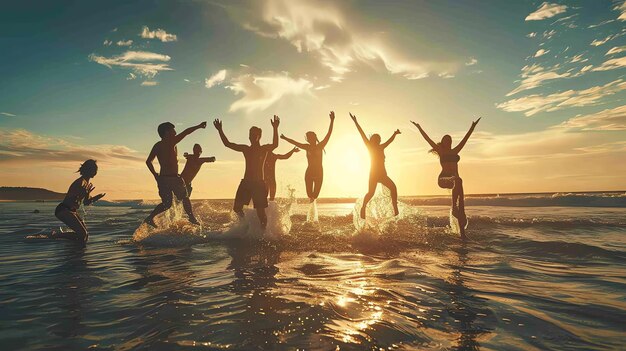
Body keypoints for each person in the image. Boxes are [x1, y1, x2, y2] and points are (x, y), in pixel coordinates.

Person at [411, 117, 481, 239]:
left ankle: (462, 233)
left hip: (455, 181)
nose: (448, 141)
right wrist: (419, 127)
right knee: (458, 181)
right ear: (443, 142)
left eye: (449, 140)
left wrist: (472, 127)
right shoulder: (441, 151)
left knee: (459, 185)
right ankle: (454, 207)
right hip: (443, 179)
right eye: (446, 140)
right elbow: (427, 139)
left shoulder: (455, 151)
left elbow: (465, 139)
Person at [213, 115, 280, 229]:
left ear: (259, 136)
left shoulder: (263, 149)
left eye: (254, 135)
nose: (251, 137)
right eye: (250, 135)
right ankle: (245, 225)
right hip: (246, 183)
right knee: (237, 208)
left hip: (259, 184)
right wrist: (220, 130)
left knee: (260, 212)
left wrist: (275, 128)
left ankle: (263, 233)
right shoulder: (246, 149)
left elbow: (275, 144)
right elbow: (228, 144)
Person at [144, 121, 206, 227]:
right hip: (173, 178)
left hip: (162, 179)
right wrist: (199, 126)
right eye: (173, 130)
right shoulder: (171, 142)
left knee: (166, 204)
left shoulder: (157, 145)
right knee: (185, 197)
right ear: (167, 132)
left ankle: (150, 218)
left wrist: (155, 175)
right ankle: (191, 218)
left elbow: (148, 161)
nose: (175, 132)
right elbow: (186, 132)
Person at [349, 113, 401, 219]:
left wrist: (395, 134)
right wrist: (355, 122)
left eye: (379, 139)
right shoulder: (369, 147)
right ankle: (363, 207)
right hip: (373, 174)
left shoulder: (381, 147)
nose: (377, 140)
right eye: (375, 138)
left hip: (383, 174)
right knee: (371, 193)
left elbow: (389, 141)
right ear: (372, 139)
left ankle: (395, 206)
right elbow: (362, 134)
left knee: (393, 188)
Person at [280, 111, 334, 202]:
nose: (309, 139)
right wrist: (285, 138)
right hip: (309, 172)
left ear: (314, 138)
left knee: (315, 195)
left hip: (319, 172)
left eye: (310, 137)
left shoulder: (320, 146)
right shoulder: (306, 147)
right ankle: (311, 209)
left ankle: (313, 208)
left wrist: (332, 120)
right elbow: (295, 142)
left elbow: (329, 134)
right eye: (308, 138)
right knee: (309, 194)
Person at [53, 159, 105, 246]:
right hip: (64, 209)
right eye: (94, 169)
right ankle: (55, 236)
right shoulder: (81, 182)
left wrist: (96, 197)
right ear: (88, 170)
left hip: (70, 210)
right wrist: (87, 193)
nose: (96, 172)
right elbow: (83, 199)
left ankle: (73, 248)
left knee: (85, 236)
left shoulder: (86, 182)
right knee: (82, 235)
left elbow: (86, 202)